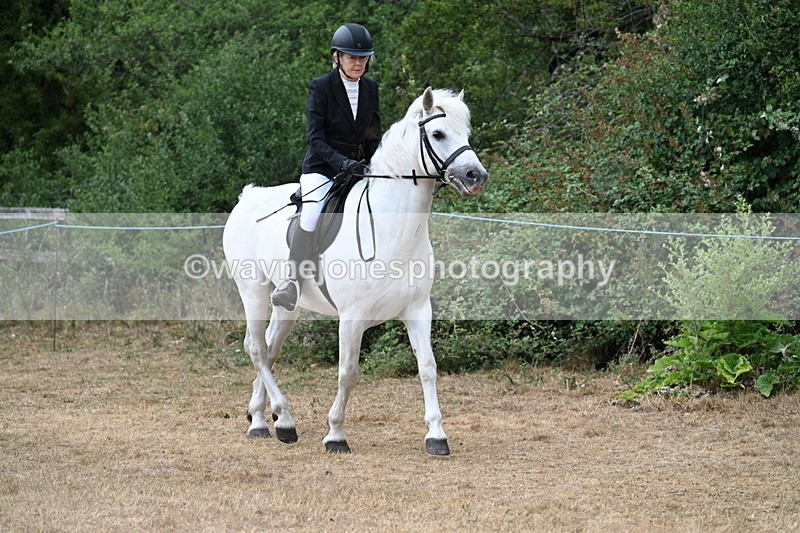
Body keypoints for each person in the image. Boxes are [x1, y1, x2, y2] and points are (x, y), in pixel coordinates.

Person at [271, 23, 382, 311]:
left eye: (363, 58)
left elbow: (373, 135)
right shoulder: (321, 87)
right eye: (352, 57)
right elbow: (315, 138)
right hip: (322, 168)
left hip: (357, 169)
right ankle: (291, 281)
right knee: (311, 212)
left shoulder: (370, 88)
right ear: (337, 57)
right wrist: (341, 162)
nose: (358, 63)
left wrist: (374, 164)